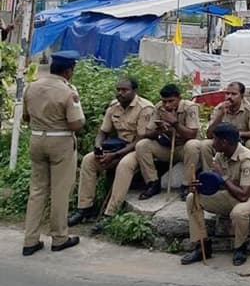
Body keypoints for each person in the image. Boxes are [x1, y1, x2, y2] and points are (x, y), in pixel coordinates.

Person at [22, 51, 85, 256]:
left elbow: (25, 117)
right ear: (68, 71)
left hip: (36, 139)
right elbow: (75, 123)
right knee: (60, 191)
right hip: (60, 141)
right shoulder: (68, 91)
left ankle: (30, 240)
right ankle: (59, 237)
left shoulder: (32, 86)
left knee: (37, 191)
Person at [69, 78, 155, 226]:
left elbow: (140, 140)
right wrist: (98, 148)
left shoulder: (145, 108)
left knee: (124, 165)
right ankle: (84, 208)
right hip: (117, 146)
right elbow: (102, 132)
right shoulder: (114, 107)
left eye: (124, 90)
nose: (120, 93)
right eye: (118, 90)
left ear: (134, 91)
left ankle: (110, 213)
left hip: (137, 148)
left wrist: (115, 156)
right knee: (89, 160)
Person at [181, 122, 250, 266]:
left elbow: (244, 195)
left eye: (215, 139)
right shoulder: (221, 155)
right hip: (232, 194)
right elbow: (216, 184)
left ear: (224, 142)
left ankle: (240, 247)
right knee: (192, 199)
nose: (212, 143)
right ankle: (202, 245)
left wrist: (223, 175)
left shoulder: (247, 159)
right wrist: (198, 186)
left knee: (239, 212)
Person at [185, 81, 250, 187]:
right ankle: (211, 179)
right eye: (227, 93)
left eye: (233, 94)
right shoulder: (220, 108)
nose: (229, 97)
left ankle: (246, 180)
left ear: (242, 95)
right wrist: (220, 115)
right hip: (222, 143)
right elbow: (210, 134)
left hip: (240, 142)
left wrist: (234, 134)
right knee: (205, 145)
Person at [135, 84, 200, 201]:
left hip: (183, 148)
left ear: (179, 98)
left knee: (193, 145)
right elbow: (148, 132)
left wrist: (175, 123)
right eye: (164, 101)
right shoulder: (159, 107)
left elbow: (192, 134)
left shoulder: (190, 107)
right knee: (142, 145)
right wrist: (159, 130)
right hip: (166, 146)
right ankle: (152, 183)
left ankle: (186, 185)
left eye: (171, 101)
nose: (167, 105)